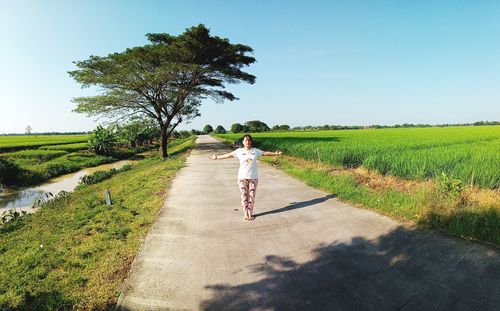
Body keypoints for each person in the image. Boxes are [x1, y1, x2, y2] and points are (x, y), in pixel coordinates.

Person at [210, 134, 282, 221]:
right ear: (243, 142)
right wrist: (217, 157)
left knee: (251, 196)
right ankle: (245, 213)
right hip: (242, 177)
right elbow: (228, 155)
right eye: (245, 140)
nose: (247, 142)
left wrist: (275, 154)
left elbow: (265, 153)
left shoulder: (255, 151)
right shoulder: (239, 151)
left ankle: (250, 213)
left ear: (250, 142)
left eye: (249, 140)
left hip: (253, 177)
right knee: (244, 196)